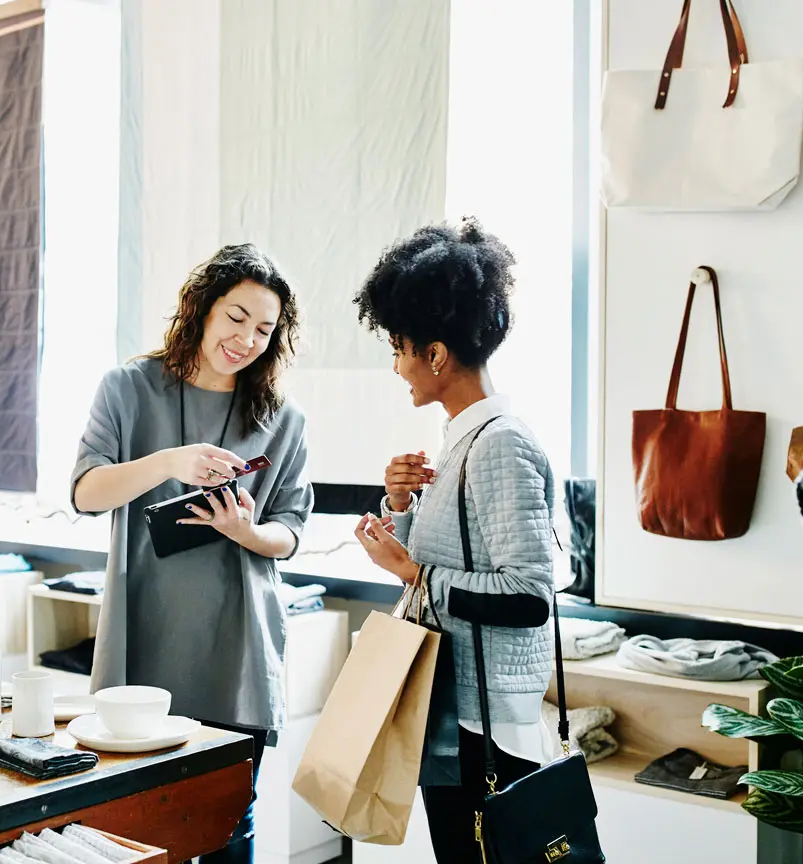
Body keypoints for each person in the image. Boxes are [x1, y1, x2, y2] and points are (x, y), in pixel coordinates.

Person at [71, 244, 314, 864]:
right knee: (133, 832)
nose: (247, 339)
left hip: (237, 653)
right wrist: (170, 463)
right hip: (143, 644)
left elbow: (289, 530)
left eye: (265, 329)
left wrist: (245, 532)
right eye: (236, 318)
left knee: (230, 830)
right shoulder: (128, 389)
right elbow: (86, 493)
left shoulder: (283, 420)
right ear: (202, 309)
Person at [349, 220, 557, 864]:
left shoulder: (499, 443)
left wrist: (411, 571)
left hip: (486, 724)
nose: (396, 364)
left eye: (398, 346)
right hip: (462, 707)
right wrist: (402, 507)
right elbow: (460, 560)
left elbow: (528, 595)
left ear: (435, 355)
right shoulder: (465, 437)